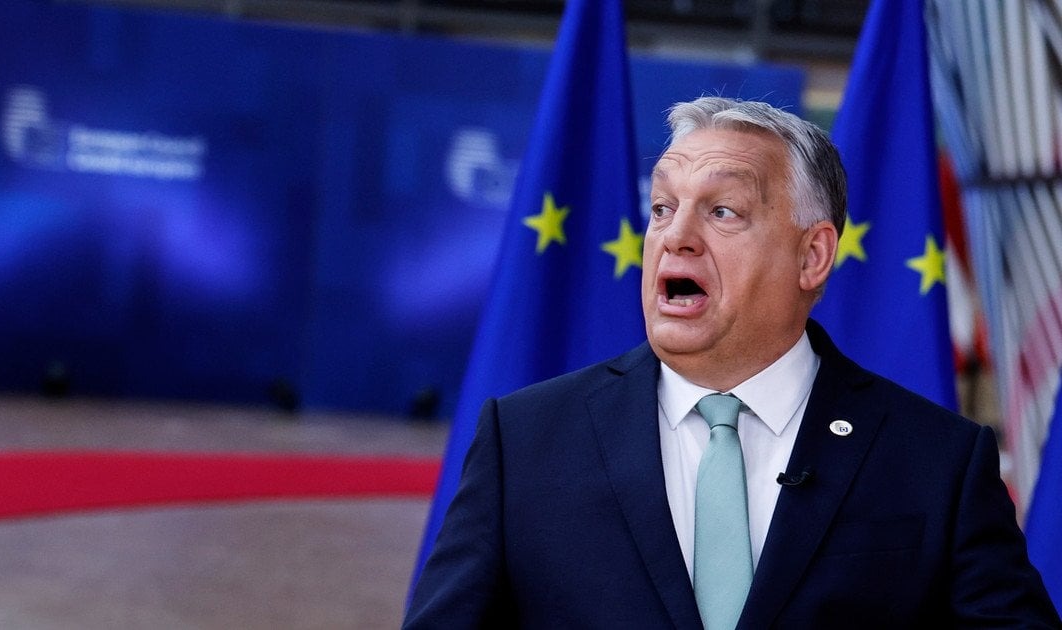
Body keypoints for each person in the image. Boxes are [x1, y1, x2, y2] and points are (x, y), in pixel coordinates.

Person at [404, 96, 1061, 628]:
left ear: (812, 256)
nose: (675, 236)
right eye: (662, 208)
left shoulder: (937, 463)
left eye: (722, 211)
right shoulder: (525, 442)